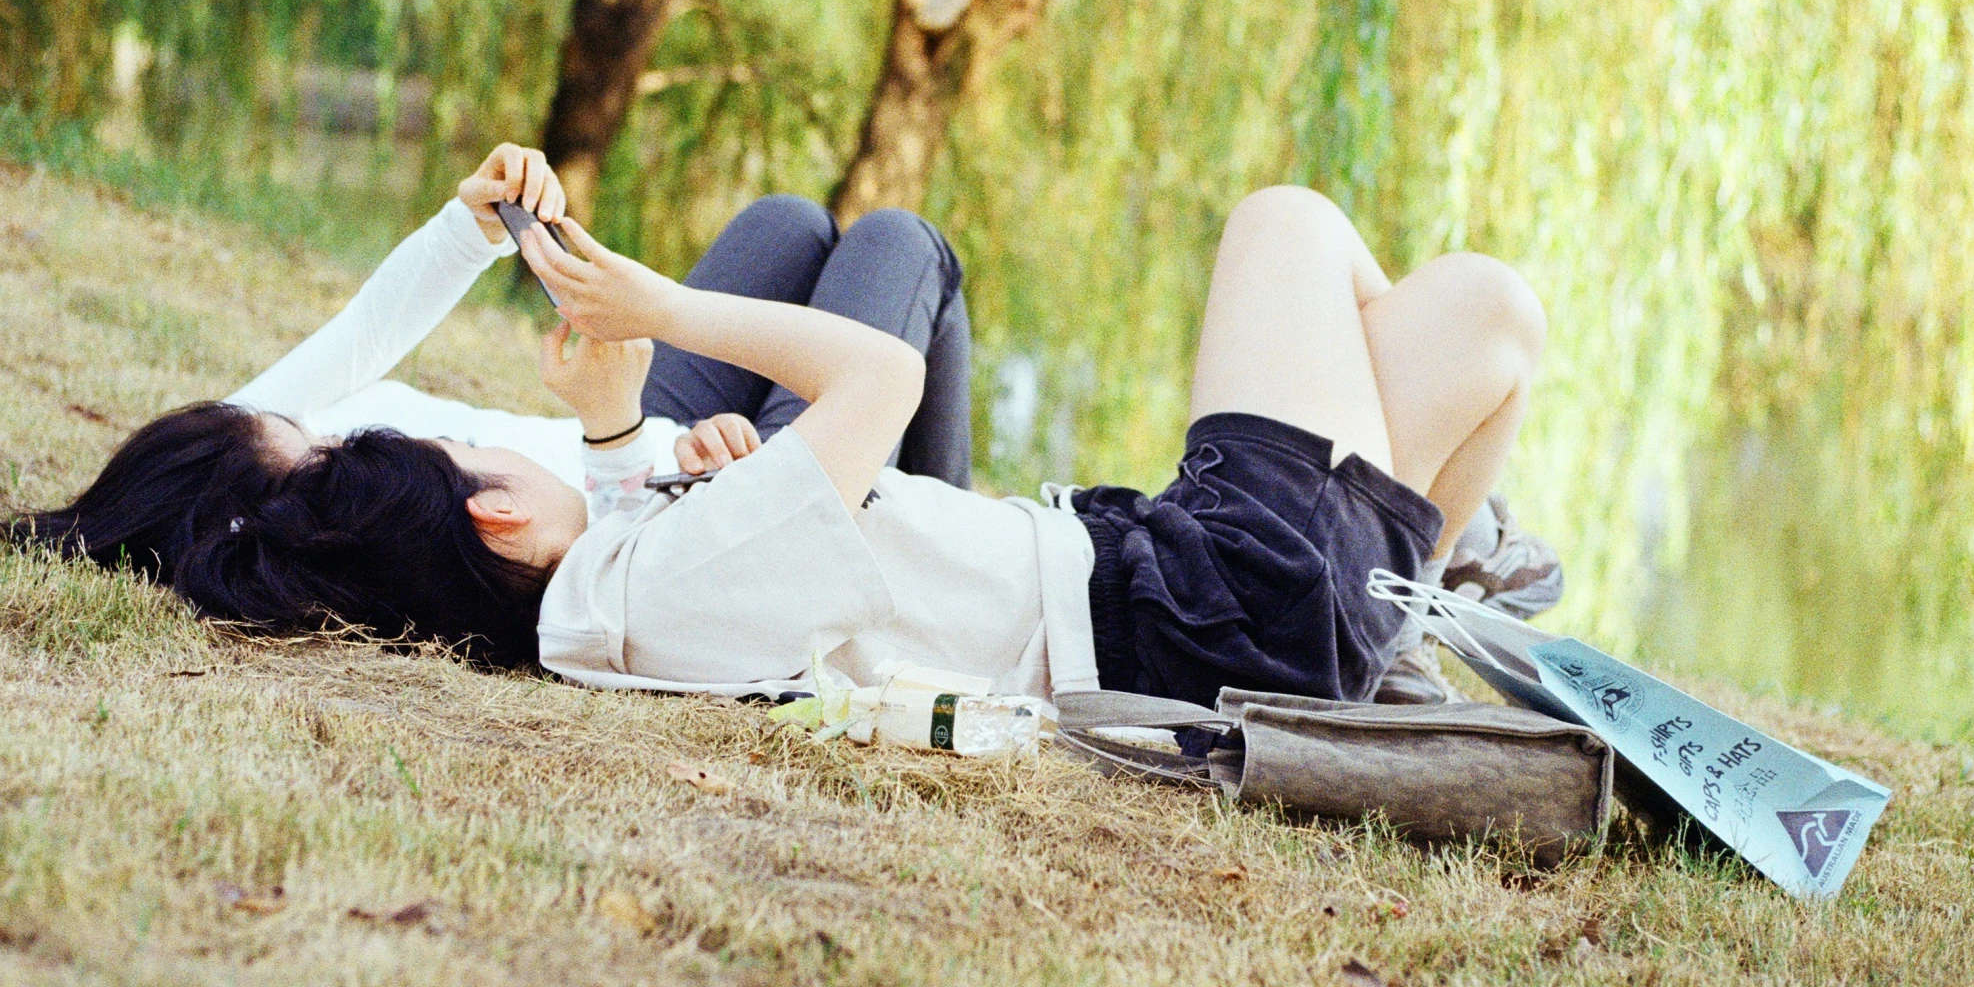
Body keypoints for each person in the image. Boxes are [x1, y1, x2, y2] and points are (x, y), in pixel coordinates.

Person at [511, 180, 1552, 708]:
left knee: (1492, 312)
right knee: (1287, 222)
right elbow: (883, 373)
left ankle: (1395, 606)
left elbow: (625, 521)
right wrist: (661, 308)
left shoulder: (619, 592)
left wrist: (635, 443)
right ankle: (1398, 593)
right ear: (493, 513)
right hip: (1221, 599)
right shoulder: (633, 600)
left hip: (1200, 585)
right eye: (495, 465)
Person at [5, 144, 976, 667]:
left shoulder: (260, 440)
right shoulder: (313, 509)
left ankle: (907, 506)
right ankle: (939, 533)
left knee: (784, 227)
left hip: (628, 419)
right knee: (897, 245)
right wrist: (643, 447)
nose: (320, 424)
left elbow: (358, 339)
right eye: (299, 434)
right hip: (664, 487)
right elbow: (573, 551)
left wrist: (470, 228)